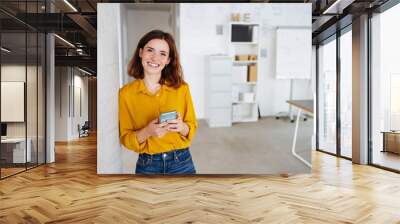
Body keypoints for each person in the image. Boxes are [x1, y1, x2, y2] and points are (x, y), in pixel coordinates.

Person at [119, 30, 197, 175]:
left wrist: (181, 127)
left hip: (182, 162)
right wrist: (147, 131)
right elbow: (126, 138)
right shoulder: (125, 94)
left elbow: (191, 127)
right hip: (147, 165)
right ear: (141, 52)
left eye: (162, 53)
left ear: (168, 60)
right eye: (150, 50)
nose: (155, 58)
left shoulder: (182, 88)